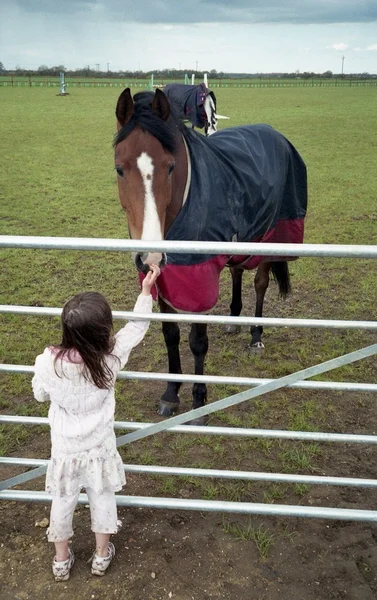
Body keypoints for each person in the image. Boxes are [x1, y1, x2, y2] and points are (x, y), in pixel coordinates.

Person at [31, 265, 160, 581]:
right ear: (104, 331)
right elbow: (137, 327)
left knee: (61, 501)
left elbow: (39, 395)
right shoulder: (111, 358)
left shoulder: (48, 363)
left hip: (65, 449)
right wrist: (146, 292)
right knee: (103, 498)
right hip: (99, 447)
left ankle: (61, 561)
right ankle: (101, 556)